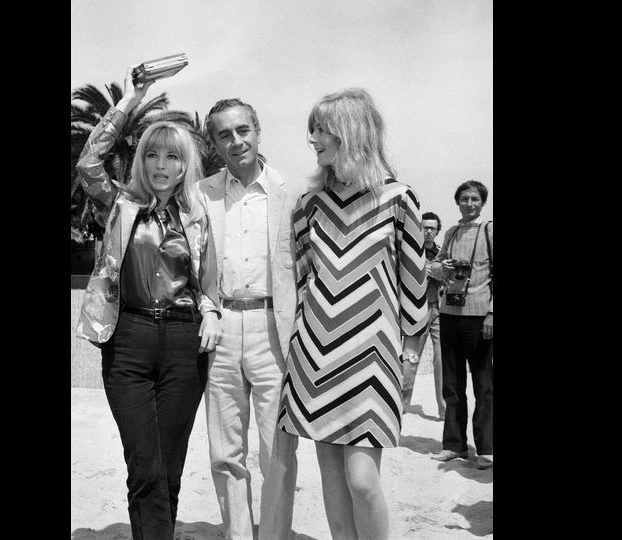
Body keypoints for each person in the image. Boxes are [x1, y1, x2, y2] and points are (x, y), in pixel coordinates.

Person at [74, 66, 222, 540]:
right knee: (144, 462)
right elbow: (87, 163)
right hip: (128, 341)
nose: (161, 164)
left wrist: (213, 313)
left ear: (185, 165)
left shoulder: (197, 217)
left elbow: (209, 283)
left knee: (170, 465)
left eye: (172, 157)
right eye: (152, 154)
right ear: (141, 160)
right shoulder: (117, 203)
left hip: (184, 344)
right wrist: (134, 98)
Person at [276, 88, 428, 540]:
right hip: (315, 355)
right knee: (330, 476)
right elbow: (305, 284)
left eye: (322, 129)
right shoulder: (307, 206)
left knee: (362, 480)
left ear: (351, 132)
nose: (313, 139)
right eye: (312, 130)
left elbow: (414, 289)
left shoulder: (399, 200)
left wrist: (410, 359)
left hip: (372, 356)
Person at [199, 98, 306, 540]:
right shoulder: (200, 194)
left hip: (272, 331)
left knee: (277, 450)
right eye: (224, 134)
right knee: (225, 452)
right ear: (214, 143)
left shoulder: (293, 195)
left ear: (258, 131)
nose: (236, 140)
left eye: (243, 130)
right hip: (220, 326)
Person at [427, 180, 493, 470]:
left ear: (482, 202)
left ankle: (487, 448)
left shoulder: (489, 231)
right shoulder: (452, 232)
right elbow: (435, 267)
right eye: (464, 198)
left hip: (480, 316)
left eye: (474, 199)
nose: (469, 203)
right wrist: (444, 269)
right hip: (450, 314)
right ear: (457, 202)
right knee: (452, 384)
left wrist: (492, 314)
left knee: (484, 385)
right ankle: (454, 445)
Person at [400, 211, 447, 419]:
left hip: (440, 309)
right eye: (425, 227)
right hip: (416, 311)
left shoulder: (442, 253)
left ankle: (444, 411)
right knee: (410, 359)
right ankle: (401, 406)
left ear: (437, 231)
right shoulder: (410, 251)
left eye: (432, 228)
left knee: (441, 361)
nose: (428, 232)